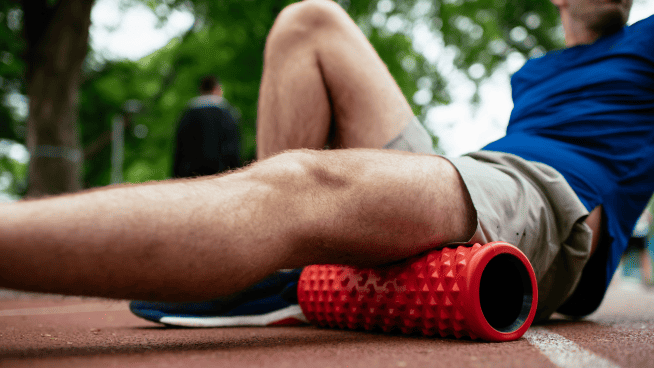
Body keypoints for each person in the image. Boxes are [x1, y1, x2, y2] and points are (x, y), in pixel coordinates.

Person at [0, 0, 652, 329]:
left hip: (550, 199)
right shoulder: (534, 75)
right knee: (307, 22)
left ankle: (263, 254)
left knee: (306, 189)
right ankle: (281, 270)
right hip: (484, 174)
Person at [173, 75, 240, 178]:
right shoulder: (227, 114)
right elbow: (232, 149)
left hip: (190, 177)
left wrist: (176, 176)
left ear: (201, 90)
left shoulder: (188, 115)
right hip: (220, 176)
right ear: (216, 89)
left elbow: (179, 150)